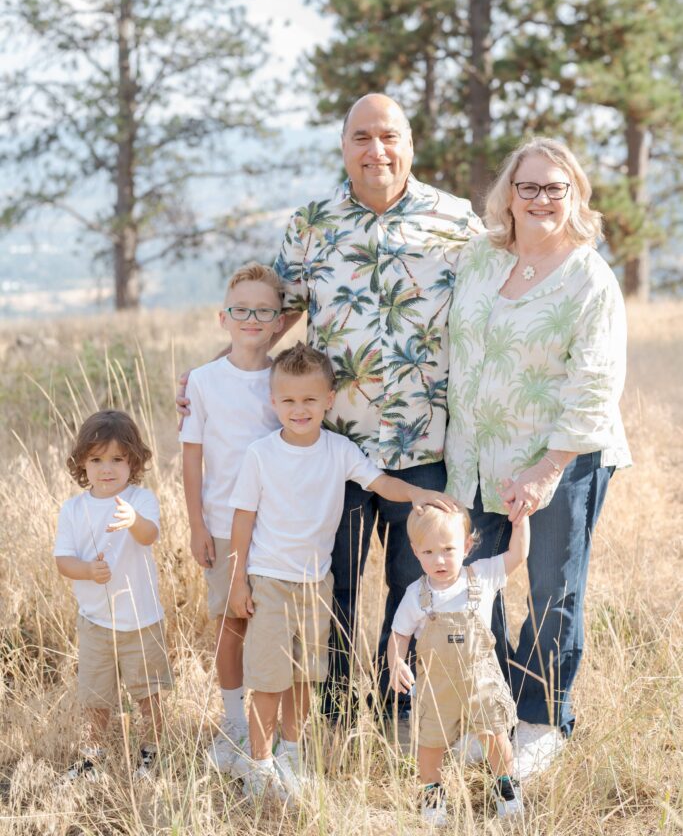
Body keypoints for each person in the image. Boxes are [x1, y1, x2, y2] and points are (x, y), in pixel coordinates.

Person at [177, 94, 481, 722]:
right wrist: (212, 370)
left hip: (422, 448)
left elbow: (495, 304)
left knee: (416, 589)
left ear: (410, 144)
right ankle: (337, 716)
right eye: (362, 138)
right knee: (331, 589)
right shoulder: (312, 224)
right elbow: (273, 316)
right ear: (344, 147)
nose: (377, 150)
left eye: (389, 136)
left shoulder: (456, 221)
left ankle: (402, 716)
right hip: (330, 449)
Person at [443, 137, 631, 776]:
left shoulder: (588, 276)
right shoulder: (479, 259)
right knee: (477, 592)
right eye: (529, 186)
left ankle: (543, 718)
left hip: (561, 460)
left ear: (574, 194)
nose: (542, 198)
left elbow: (596, 384)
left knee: (551, 590)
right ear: (509, 195)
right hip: (475, 457)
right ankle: (492, 717)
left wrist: (548, 468)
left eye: (557, 187)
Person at [227, 342, 457, 806]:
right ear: (274, 402)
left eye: (310, 399)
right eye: (288, 400)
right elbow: (243, 520)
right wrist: (237, 581)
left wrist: (415, 494)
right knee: (269, 679)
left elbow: (379, 482)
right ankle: (260, 763)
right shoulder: (260, 455)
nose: (299, 409)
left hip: (317, 584)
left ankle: (292, 755)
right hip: (270, 581)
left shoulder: (339, 449)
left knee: (305, 677)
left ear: (329, 400)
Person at [180, 262, 285, 773]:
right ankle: (232, 719)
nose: (251, 318)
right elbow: (192, 456)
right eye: (241, 310)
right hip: (222, 525)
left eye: (263, 311)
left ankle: (280, 728)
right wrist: (198, 525)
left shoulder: (285, 378)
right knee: (229, 624)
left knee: (274, 625)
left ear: (278, 320)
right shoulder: (202, 381)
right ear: (223, 317)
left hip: (277, 528)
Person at [389, 505, 530, 824]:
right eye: (429, 551)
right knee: (430, 744)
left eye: (449, 550)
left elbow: (517, 556)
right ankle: (432, 794)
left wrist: (521, 523)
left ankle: (506, 786)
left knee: (495, 735)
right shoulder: (417, 594)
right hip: (436, 686)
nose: (439, 560)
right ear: (415, 551)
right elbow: (399, 633)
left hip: (481, 680)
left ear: (466, 546)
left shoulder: (481, 575)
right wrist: (396, 661)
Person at [54, 409, 172, 780]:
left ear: (133, 461)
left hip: (141, 619)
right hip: (95, 621)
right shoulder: (73, 509)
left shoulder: (140, 499)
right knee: (96, 696)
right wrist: (88, 570)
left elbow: (150, 535)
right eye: (97, 459)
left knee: (148, 692)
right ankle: (93, 755)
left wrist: (132, 520)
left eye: (117, 459)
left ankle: (151, 752)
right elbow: (63, 561)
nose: (107, 468)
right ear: (82, 464)